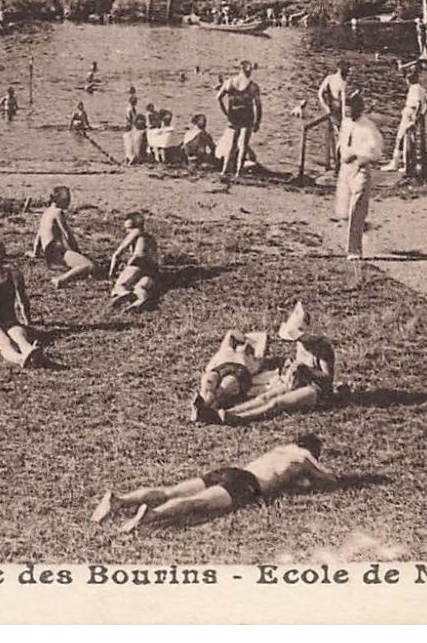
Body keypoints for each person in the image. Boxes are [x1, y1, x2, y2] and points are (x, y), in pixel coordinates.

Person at [91, 434, 336, 533]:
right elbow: (329, 481)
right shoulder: (303, 457)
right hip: (246, 483)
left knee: (170, 490)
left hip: (231, 470)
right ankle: (151, 515)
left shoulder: (280, 450)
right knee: (195, 503)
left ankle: (120, 500)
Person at [198, 333, 339, 426]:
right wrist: (292, 369)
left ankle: (241, 418)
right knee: (264, 397)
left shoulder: (323, 348)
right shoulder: (300, 344)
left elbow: (327, 378)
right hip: (299, 381)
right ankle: (228, 413)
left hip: (318, 389)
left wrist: (307, 370)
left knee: (277, 403)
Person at [334, 94, 384, 261]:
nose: (348, 113)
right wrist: (340, 156)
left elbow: (376, 152)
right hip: (345, 169)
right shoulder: (346, 123)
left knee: (357, 207)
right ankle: (362, 227)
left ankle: (354, 250)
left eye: (351, 110)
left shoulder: (368, 127)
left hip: (360, 169)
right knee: (343, 211)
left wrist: (358, 157)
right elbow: (341, 143)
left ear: (359, 109)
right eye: (346, 110)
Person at [32, 186, 97, 288]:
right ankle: (60, 280)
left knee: (81, 265)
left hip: (49, 255)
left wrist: (35, 253)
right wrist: (77, 251)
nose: (69, 202)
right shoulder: (58, 212)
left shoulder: (46, 212)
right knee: (89, 265)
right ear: (59, 200)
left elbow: (38, 236)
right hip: (57, 253)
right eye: (67, 199)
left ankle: (69, 272)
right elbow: (67, 234)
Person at [106, 212, 163, 312]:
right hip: (153, 269)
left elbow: (117, 254)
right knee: (140, 287)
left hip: (138, 262)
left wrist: (111, 273)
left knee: (119, 286)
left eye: (128, 228)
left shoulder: (136, 232)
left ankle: (124, 293)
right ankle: (141, 300)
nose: (126, 231)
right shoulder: (151, 239)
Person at [217, 60, 262, 177]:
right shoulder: (252, 86)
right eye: (250, 70)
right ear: (247, 70)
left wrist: (225, 113)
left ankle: (224, 170)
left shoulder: (229, 82)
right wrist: (258, 122)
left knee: (232, 144)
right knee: (243, 145)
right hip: (247, 116)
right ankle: (238, 172)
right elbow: (258, 106)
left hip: (233, 115)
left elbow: (218, 98)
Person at [385, 69, 427, 173]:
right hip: (413, 114)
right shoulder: (421, 88)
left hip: (410, 113)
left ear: (408, 80)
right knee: (410, 141)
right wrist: (423, 114)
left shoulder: (414, 88)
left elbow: (419, 103)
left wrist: (414, 117)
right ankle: (407, 164)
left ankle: (396, 163)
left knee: (401, 138)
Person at [316, 61, 351, 167]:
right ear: (341, 70)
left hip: (333, 111)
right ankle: (338, 163)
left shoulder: (330, 78)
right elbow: (344, 101)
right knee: (342, 138)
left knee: (336, 137)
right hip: (337, 112)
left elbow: (320, 94)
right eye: (347, 71)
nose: (348, 73)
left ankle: (335, 162)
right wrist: (345, 119)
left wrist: (326, 107)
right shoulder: (341, 83)